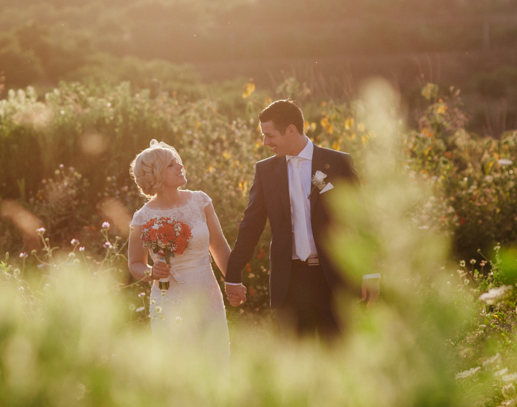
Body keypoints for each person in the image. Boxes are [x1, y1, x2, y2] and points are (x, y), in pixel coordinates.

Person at [225, 99, 379, 339]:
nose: (265, 142)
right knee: (297, 367)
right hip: (290, 284)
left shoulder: (337, 163)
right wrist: (233, 273)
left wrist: (370, 273)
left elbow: (360, 218)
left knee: (340, 363)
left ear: (291, 130)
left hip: (333, 280)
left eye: (269, 135)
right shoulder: (265, 171)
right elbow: (250, 226)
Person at [128, 140, 231, 367]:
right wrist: (151, 272)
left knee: (215, 363)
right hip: (169, 298)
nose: (180, 167)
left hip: (207, 293)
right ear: (156, 174)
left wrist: (233, 281)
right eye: (171, 165)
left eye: (178, 162)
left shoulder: (201, 201)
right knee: (179, 367)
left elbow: (220, 246)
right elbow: (135, 264)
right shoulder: (142, 218)